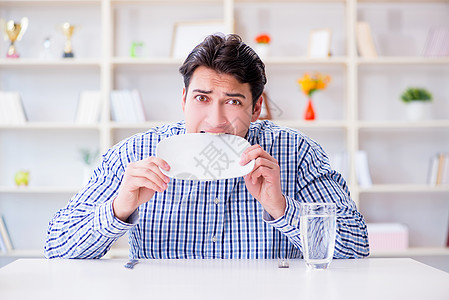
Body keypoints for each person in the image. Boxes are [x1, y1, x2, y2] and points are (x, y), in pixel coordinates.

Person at [44, 33, 369, 259]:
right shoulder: (134, 154)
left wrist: (282, 208)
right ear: (184, 99)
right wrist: (119, 207)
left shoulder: (298, 153)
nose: (215, 119)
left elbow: (356, 247)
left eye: (233, 101)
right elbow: (57, 245)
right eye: (202, 98)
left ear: (256, 108)